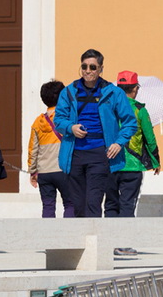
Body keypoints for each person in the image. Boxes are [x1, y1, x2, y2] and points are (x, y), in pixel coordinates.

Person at [55, 49, 139, 218]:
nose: (88, 71)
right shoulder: (69, 91)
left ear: (101, 69)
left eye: (92, 67)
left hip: (100, 153)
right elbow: (58, 120)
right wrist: (71, 128)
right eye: (84, 66)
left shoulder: (114, 93)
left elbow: (130, 123)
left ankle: (94, 235)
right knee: (78, 205)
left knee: (93, 202)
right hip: (74, 153)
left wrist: (118, 143)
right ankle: (82, 235)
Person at [106, 71, 160, 218]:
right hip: (133, 165)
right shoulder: (140, 110)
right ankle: (125, 233)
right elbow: (150, 139)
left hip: (109, 163)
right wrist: (155, 161)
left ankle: (109, 233)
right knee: (127, 205)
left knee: (110, 204)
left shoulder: (107, 108)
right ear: (135, 88)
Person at [27, 80, 74, 218]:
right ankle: (69, 230)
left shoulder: (38, 122)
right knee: (70, 203)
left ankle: (48, 231)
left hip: (44, 171)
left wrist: (33, 171)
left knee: (48, 205)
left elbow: (32, 149)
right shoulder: (67, 118)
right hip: (64, 168)